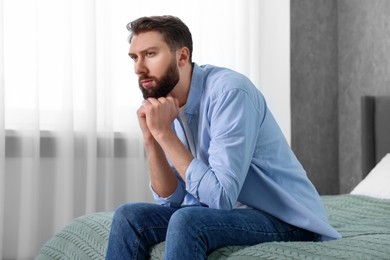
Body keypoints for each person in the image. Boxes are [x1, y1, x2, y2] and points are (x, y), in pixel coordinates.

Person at [105, 15, 341, 260]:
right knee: (128, 218)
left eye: (150, 54)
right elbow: (171, 201)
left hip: (285, 218)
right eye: (134, 57)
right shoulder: (166, 103)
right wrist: (151, 138)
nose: (138, 68)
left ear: (182, 56)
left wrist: (165, 134)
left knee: (188, 221)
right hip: (226, 214)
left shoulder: (230, 93)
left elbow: (220, 197)